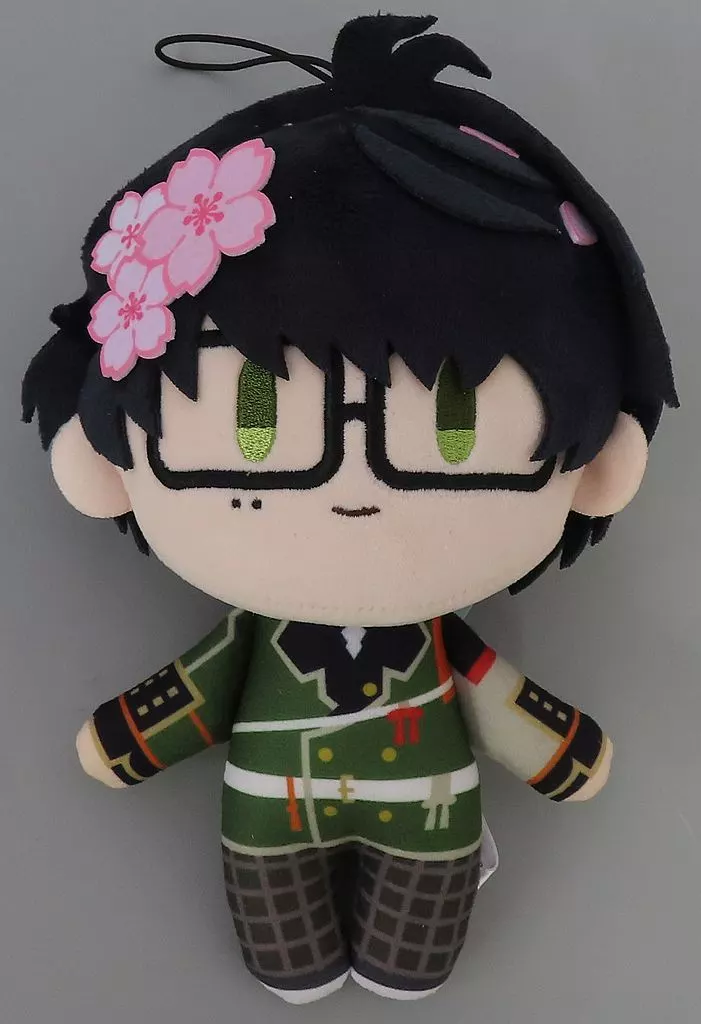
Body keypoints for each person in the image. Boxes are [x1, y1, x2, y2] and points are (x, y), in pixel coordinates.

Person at [22, 12, 676, 1004]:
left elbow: (492, 692)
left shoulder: (425, 646)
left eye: (451, 427)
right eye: (259, 426)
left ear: (594, 463)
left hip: (427, 818)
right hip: (273, 816)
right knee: (284, 944)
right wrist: (129, 736)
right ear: (105, 459)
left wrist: (561, 748)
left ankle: (395, 959)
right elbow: (192, 690)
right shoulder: (289, 639)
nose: (354, 494)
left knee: (414, 948)